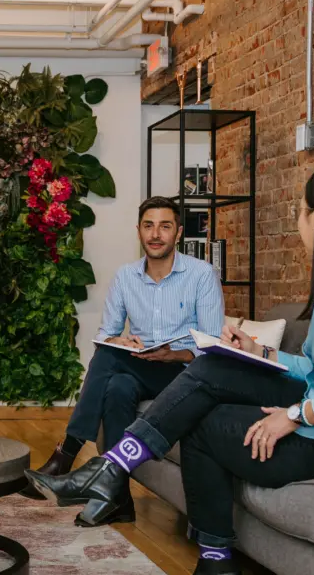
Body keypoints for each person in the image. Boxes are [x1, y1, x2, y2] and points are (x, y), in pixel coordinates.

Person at [26, 163, 314, 575]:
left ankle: (126, 482)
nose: (297, 221)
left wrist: (297, 415)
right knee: (211, 374)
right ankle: (122, 478)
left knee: (203, 418)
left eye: (301, 211)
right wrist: (260, 353)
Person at [20, 196, 224, 527]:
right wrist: (121, 341)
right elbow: (108, 334)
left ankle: (67, 454)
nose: (156, 234)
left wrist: (175, 353)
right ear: (138, 231)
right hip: (138, 367)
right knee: (117, 385)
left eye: (165, 226)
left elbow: (212, 345)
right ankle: (119, 501)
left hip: (183, 374)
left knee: (111, 361)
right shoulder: (126, 277)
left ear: (178, 233)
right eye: (148, 226)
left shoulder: (201, 275)